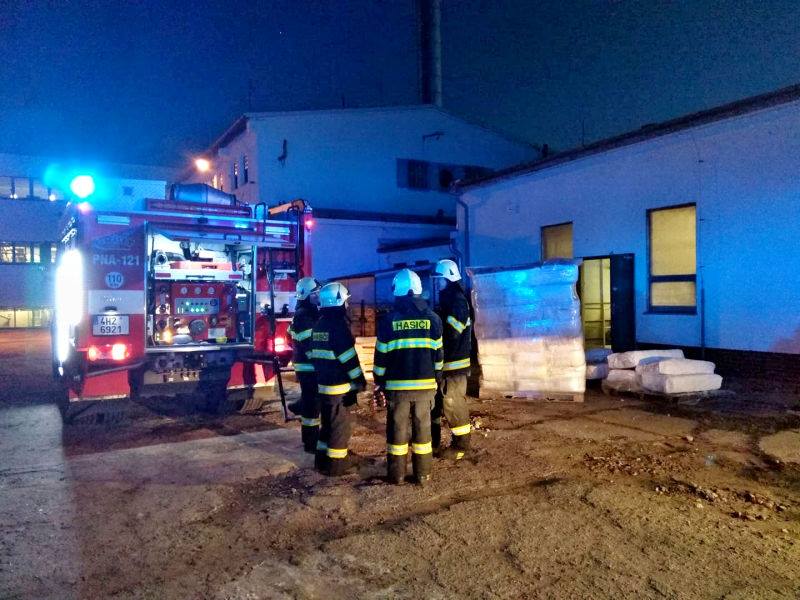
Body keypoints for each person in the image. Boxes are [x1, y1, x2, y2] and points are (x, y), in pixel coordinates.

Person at [373, 269, 443, 485]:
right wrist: (436, 378)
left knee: (397, 431)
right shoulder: (433, 319)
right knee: (423, 431)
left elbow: (381, 358)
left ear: (398, 291)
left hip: (397, 389)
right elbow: (439, 356)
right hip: (425, 388)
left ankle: (397, 475)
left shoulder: (388, 321)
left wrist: (379, 381)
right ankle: (423, 474)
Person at [308, 282, 366, 476]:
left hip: (324, 386)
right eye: (345, 302)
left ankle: (321, 460)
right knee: (340, 428)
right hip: (340, 388)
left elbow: (313, 356)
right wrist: (359, 380)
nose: (347, 306)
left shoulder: (318, 326)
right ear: (338, 302)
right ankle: (337, 465)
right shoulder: (338, 327)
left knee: (327, 426)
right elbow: (349, 359)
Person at [431, 259, 473, 461]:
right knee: (440, 402)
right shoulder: (449, 299)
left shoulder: (457, 301)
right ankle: (433, 443)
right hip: (447, 362)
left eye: (439, 279)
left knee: (452, 402)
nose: (437, 282)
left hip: (454, 363)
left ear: (448, 279)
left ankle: (461, 445)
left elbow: (451, 333)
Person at [287, 276, 321, 453]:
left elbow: (291, 336)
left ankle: (310, 436)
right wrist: (321, 363)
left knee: (311, 400)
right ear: (308, 295)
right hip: (309, 366)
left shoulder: (305, 312)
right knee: (311, 404)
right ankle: (311, 442)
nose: (319, 296)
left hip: (306, 365)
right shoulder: (305, 315)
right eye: (316, 293)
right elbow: (309, 345)